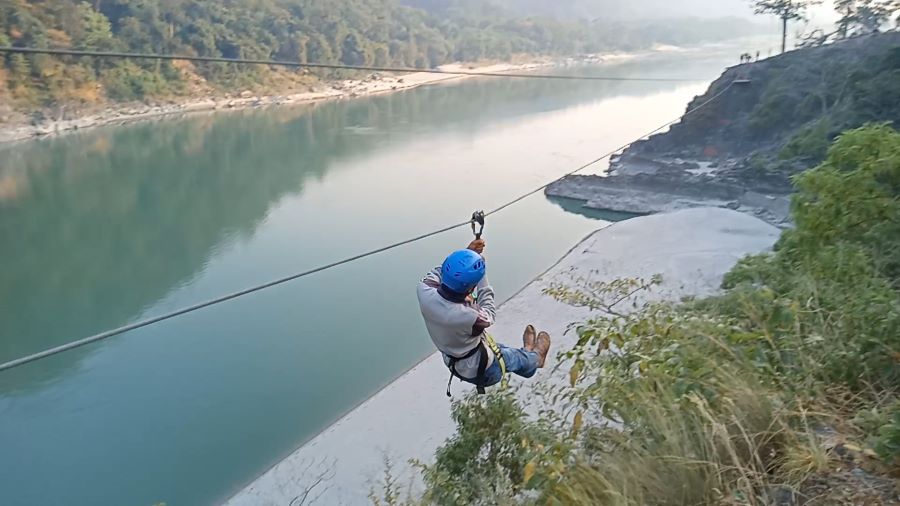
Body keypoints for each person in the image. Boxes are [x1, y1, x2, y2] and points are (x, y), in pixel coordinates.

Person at [417, 238, 551, 394]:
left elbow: (440, 272)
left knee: (505, 351)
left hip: (456, 357)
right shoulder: (468, 316)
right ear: (472, 287)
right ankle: (537, 358)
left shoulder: (424, 289)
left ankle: (527, 354)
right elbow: (489, 313)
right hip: (482, 370)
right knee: (514, 358)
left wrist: (467, 256)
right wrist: (480, 275)